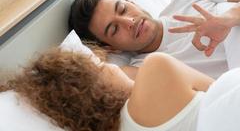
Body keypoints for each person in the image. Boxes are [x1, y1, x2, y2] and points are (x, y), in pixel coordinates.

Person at [68, 0, 240, 78]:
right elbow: (109, 78)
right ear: (112, 48)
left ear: (131, 1)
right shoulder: (144, 69)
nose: (129, 22)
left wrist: (227, 19)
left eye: (123, 9)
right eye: (114, 29)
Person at [1, 46, 214, 131]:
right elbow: (219, 89)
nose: (112, 65)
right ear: (95, 89)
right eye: (99, 65)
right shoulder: (156, 69)